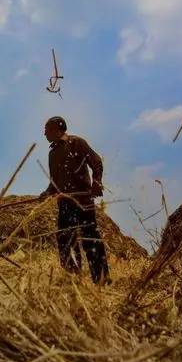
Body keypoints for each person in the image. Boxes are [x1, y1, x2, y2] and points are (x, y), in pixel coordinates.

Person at [39, 116, 110, 284]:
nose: (44, 133)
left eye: (47, 129)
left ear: (58, 129)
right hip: (64, 203)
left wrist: (97, 182)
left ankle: (101, 280)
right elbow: (54, 182)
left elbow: (96, 162)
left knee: (90, 238)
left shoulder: (77, 143)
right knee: (65, 240)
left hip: (83, 201)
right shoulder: (52, 153)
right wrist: (47, 192)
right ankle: (73, 280)